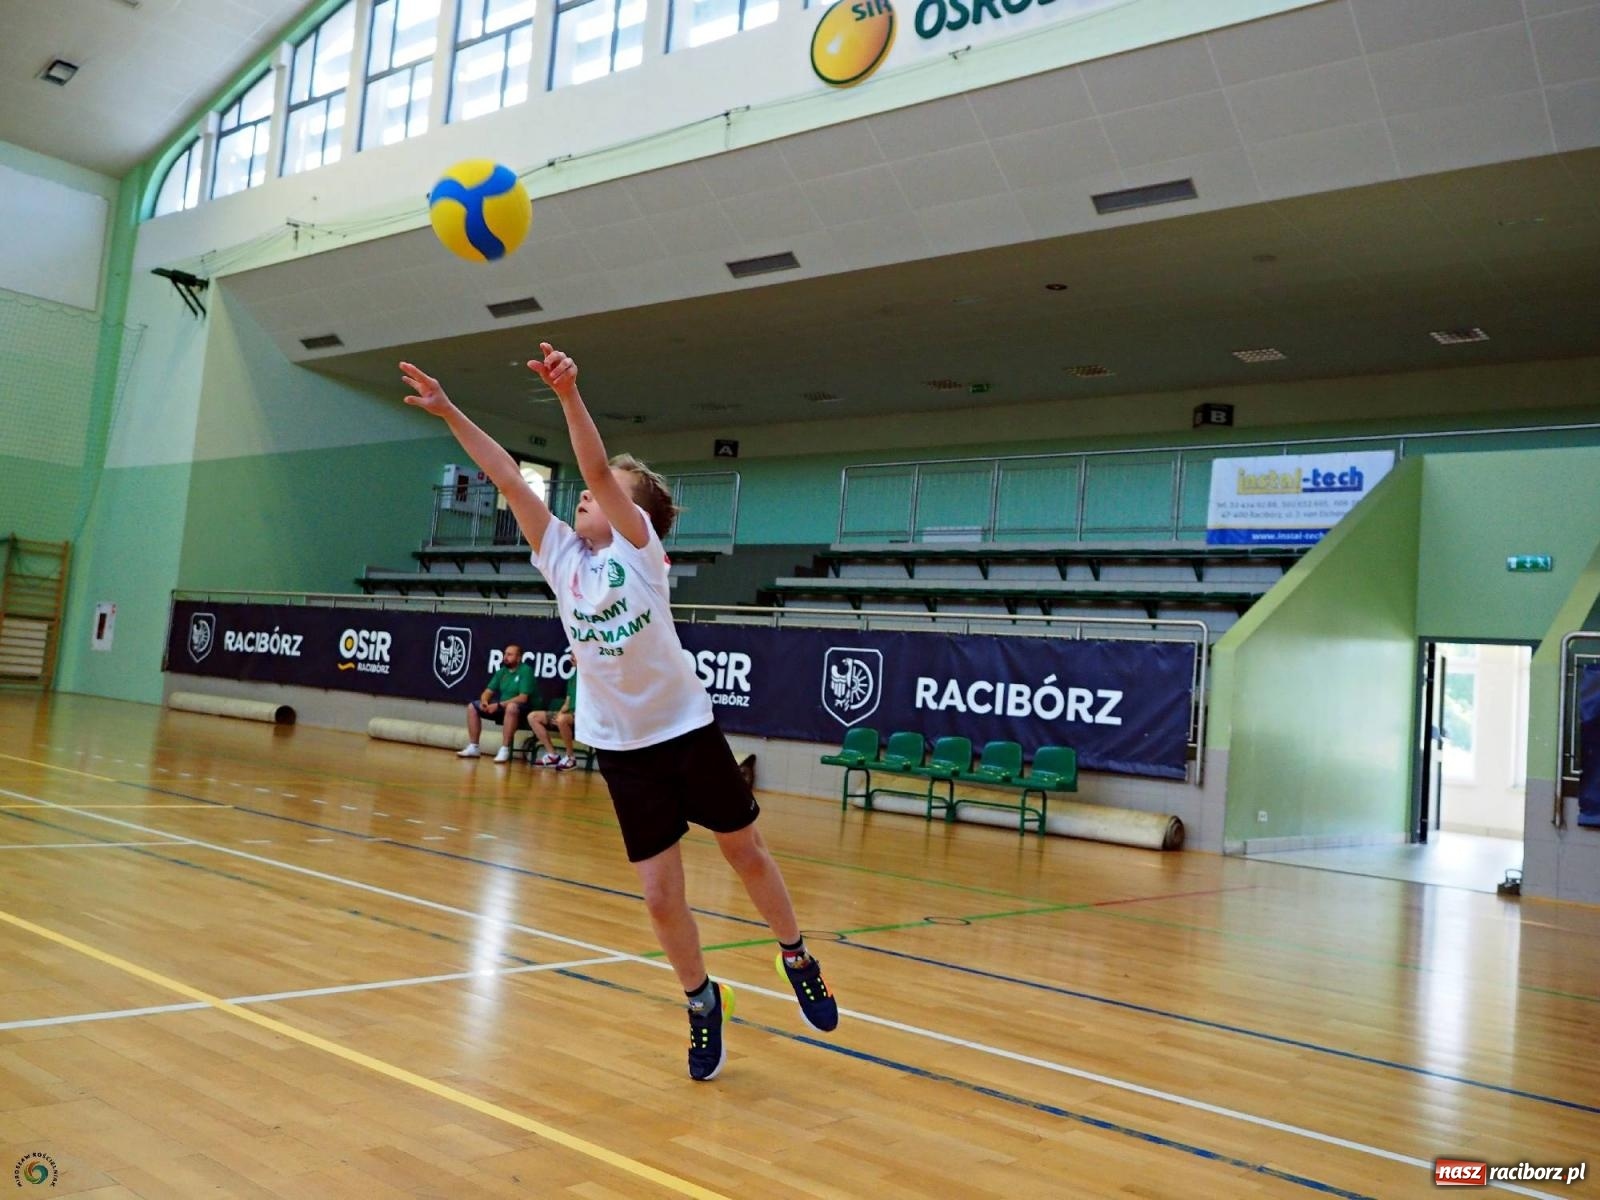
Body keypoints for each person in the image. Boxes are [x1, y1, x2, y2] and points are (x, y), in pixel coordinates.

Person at [400, 347, 838, 1081]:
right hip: (623, 749)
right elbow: (509, 477)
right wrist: (449, 411)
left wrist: (570, 395)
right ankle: (702, 1003)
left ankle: (796, 954)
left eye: (603, 496)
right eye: (583, 497)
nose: (585, 498)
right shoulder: (560, 557)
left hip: (687, 731)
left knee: (744, 852)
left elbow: (599, 469)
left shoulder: (640, 553)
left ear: (638, 516)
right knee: (662, 898)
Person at [458, 643, 533, 763]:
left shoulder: (526, 671)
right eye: (505, 654)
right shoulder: (502, 672)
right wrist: (484, 702)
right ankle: (474, 747)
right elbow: (488, 691)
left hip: (523, 710)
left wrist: (498, 705)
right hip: (503, 707)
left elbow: (523, 698)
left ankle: (504, 749)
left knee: (511, 707)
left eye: (509, 654)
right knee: (473, 706)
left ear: (518, 658)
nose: (505, 657)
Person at [530, 672, 578, 769]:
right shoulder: (573, 677)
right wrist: (559, 713)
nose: (571, 658)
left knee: (562, 720)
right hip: (569, 713)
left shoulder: (589, 676)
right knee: (533, 717)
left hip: (583, 715)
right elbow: (567, 703)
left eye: (574, 656)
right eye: (571, 655)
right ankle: (552, 756)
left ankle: (571, 757)